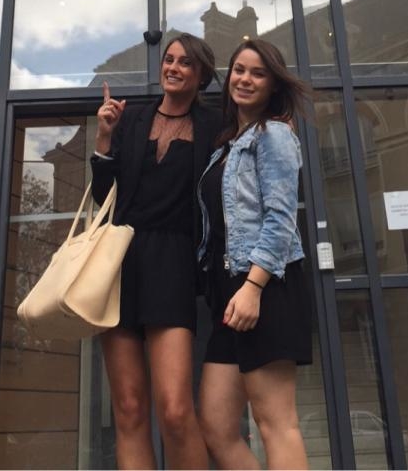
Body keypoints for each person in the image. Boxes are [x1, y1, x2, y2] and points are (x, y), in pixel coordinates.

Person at [91, 32, 221, 471]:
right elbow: (104, 195)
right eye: (169, 59)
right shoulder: (131, 119)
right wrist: (104, 137)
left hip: (174, 265)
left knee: (176, 411)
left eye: (185, 63)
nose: (173, 68)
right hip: (121, 261)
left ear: (201, 75)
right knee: (129, 408)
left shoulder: (214, 126)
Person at [197, 39, 312, 471]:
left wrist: (253, 287)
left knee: (276, 423)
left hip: (265, 288)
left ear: (273, 84)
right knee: (217, 427)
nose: (244, 79)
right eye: (239, 70)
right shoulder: (226, 146)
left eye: (258, 73)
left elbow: (281, 219)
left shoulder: (274, 135)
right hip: (230, 294)